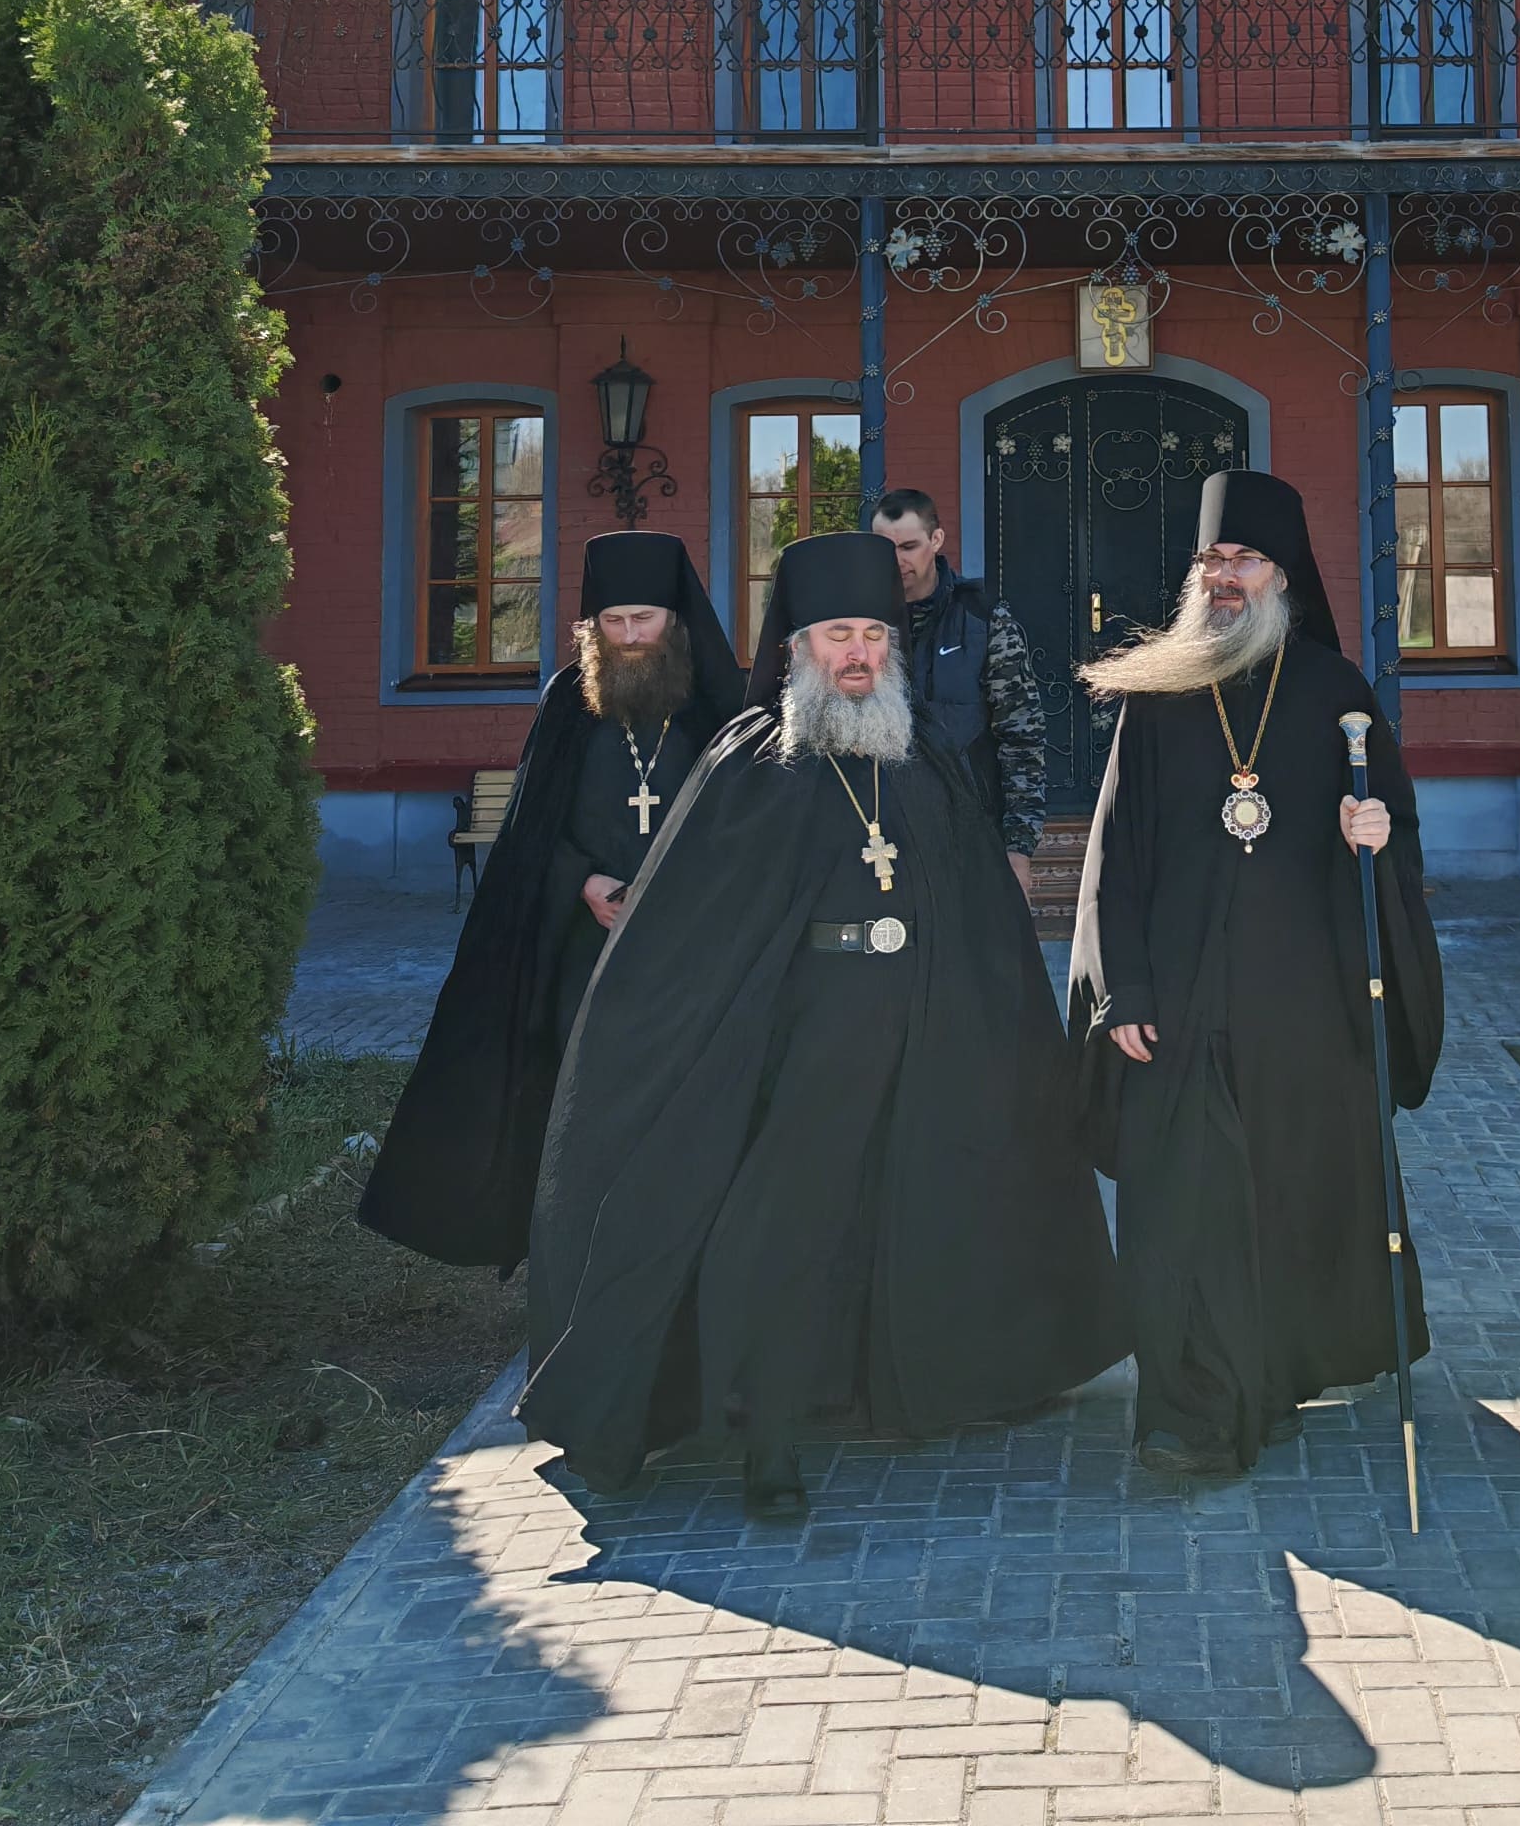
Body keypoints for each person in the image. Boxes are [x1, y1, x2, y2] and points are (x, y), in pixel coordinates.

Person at [518, 529, 1125, 1520]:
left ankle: (912, 1386)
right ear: (797, 646)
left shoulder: (924, 757)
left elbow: (974, 908)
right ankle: (767, 1441)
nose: (859, 654)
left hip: (921, 1033)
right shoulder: (750, 766)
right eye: (839, 635)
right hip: (798, 1045)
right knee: (778, 1232)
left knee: (911, 1209)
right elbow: (688, 934)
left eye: (875, 636)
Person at [1067, 468, 1446, 1480]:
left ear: (1284, 575)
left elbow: (1395, 833)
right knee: (1182, 1204)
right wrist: (1121, 990)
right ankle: (1189, 1414)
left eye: (1243, 559)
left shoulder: (1335, 694)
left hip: (1301, 999)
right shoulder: (1158, 696)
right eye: (1211, 559)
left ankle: (1268, 1381)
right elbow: (1114, 854)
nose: (1224, 576)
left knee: (1287, 1194)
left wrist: (1374, 832)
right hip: (1180, 1000)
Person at [356, 532, 746, 1272]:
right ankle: (584, 1250)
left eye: (645, 620)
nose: (630, 637)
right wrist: (587, 884)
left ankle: (682, 1253)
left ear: (675, 620)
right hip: (585, 946)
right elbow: (534, 829)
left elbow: (746, 827)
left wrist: (679, 894)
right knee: (582, 1094)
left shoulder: (719, 705)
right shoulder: (570, 701)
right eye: (613, 622)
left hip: (692, 948)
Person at [871, 487, 1051, 863]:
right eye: (884, 548)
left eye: (908, 547)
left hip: (969, 837)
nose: (896, 560)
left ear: (936, 540)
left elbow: (1021, 738)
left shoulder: (985, 620)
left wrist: (1019, 847)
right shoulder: (859, 627)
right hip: (881, 837)